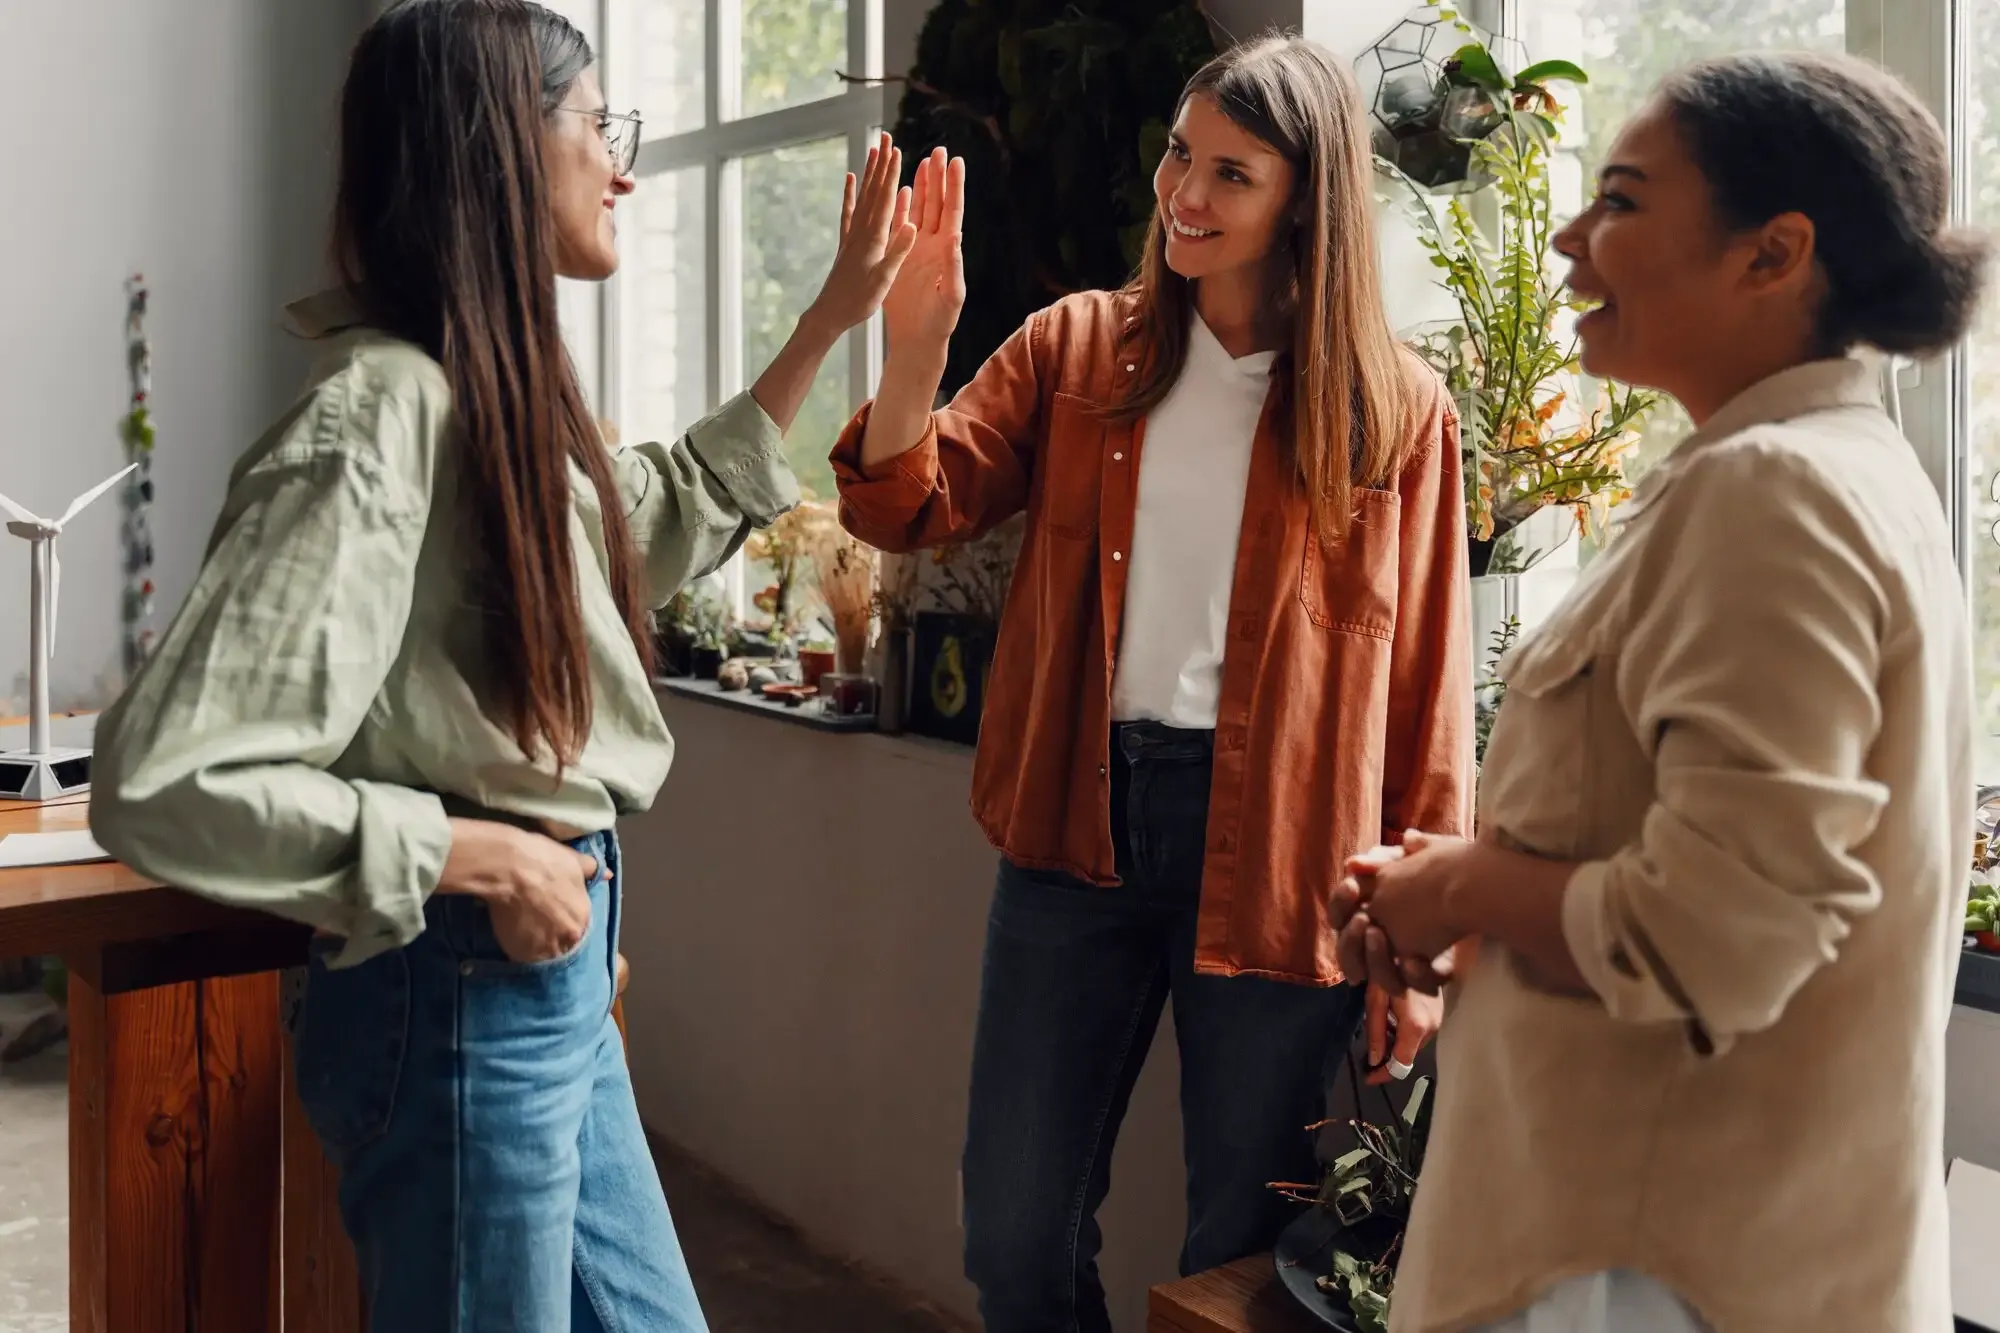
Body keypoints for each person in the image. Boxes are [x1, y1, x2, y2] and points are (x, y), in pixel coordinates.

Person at [86, 1, 916, 1328]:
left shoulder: (490, 394)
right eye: (596, 124)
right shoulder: (380, 418)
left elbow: (643, 525)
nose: (623, 165)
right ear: (498, 152)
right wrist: (471, 854)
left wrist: (830, 318)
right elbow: (166, 776)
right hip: (463, 988)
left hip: (548, 991)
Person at [1331, 51, 1993, 1333]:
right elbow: (1692, 862)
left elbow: (1721, 929)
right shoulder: (1822, 469)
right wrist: (1463, 907)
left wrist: (1458, 887)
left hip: (1648, 1272)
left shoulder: (1774, 494)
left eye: (1622, 201)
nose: (1571, 239)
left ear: (1771, 253)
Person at [833, 34, 1472, 1333]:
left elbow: (1430, 701)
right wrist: (916, 347)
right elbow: (909, 503)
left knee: (1233, 1263)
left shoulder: (1397, 412)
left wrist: (1420, 953)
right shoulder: (1077, 352)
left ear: (1308, 198)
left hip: (1291, 861)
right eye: (1183, 155)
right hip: (1076, 830)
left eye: (1233, 174)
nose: (1187, 192)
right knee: (1011, 1233)